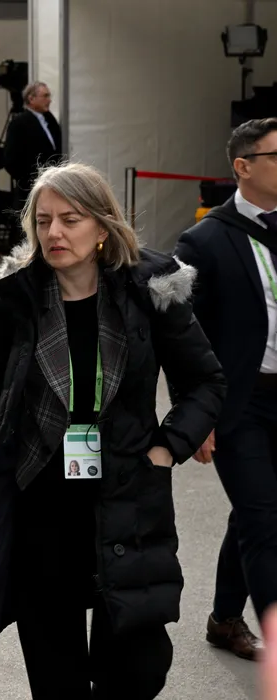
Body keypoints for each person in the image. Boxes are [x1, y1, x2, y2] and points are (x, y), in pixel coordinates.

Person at [0, 162, 225, 698]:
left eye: (71, 219)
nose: (54, 233)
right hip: (40, 501)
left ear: (102, 227)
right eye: (43, 221)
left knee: (137, 669)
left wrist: (166, 448)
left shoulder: (149, 290)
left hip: (126, 495)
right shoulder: (17, 299)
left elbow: (206, 382)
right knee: (54, 673)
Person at [175, 117, 277, 662]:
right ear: (244, 167)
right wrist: (195, 416)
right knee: (264, 519)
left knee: (255, 511)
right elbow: (180, 336)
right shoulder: (204, 241)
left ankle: (223, 619)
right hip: (240, 404)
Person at [4, 82, 65, 218]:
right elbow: (10, 159)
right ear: (31, 99)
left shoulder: (50, 120)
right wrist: (29, 180)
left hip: (52, 184)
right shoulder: (19, 123)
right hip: (30, 188)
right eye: (45, 96)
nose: (49, 100)